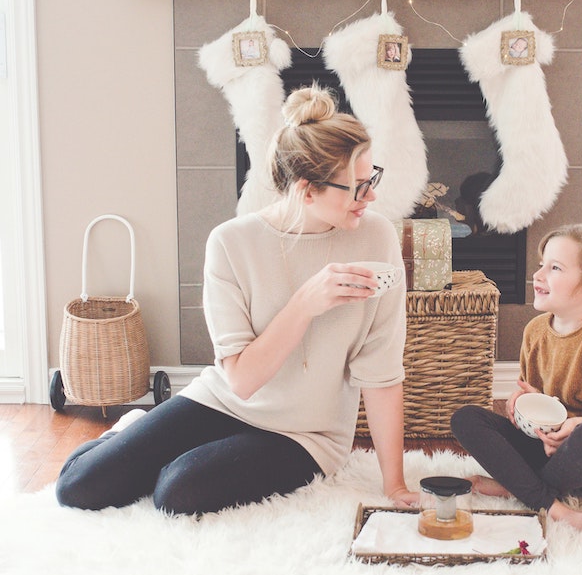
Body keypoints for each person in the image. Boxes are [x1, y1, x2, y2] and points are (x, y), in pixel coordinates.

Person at [56, 85, 419, 515]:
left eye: (371, 178)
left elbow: (381, 373)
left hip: (306, 436)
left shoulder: (376, 239)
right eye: (358, 187)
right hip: (225, 401)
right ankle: (130, 433)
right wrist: (305, 303)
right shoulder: (231, 244)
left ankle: (169, 455)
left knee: (176, 491)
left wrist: (394, 485)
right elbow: (243, 381)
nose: (371, 197)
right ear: (307, 190)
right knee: (78, 487)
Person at [450, 216, 582, 538]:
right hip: (550, 448)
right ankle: (548, 500)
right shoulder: (536, 331)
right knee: (465, 419)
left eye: (555, 268)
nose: (537, 276)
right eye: (541, 264)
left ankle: (520, 485)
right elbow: (536, 392)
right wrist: (523, 399)